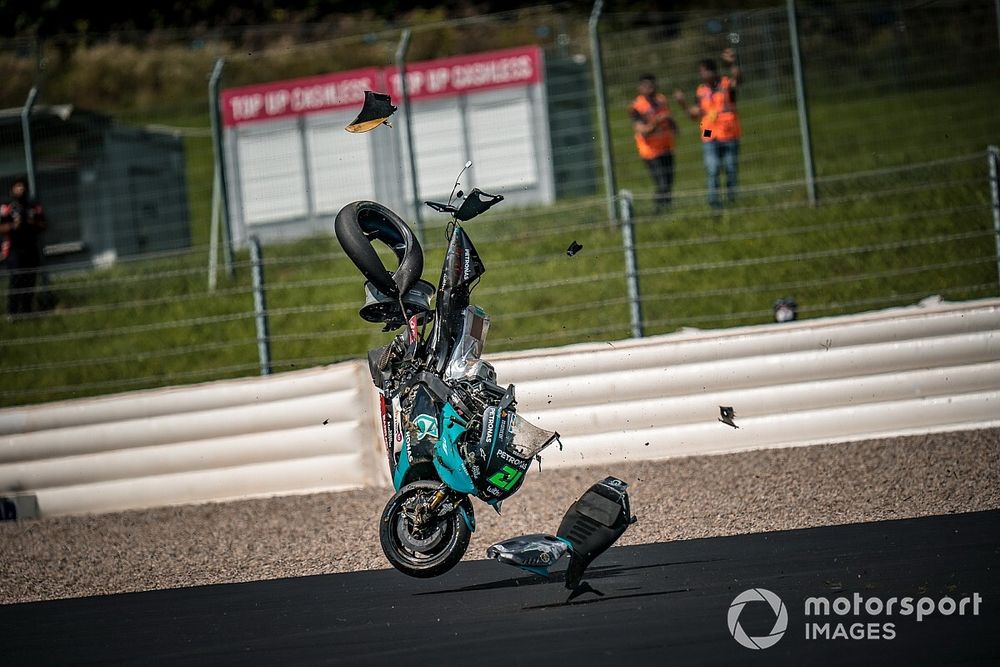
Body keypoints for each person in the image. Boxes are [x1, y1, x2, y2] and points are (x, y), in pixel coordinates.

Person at [674, 48, 743, 209]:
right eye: (700, 72)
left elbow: (738, 80)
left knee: (731, 168)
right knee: (712, 168)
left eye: (705, 72)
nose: (702, 75)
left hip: (729, 133)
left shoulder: (726, 84)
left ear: (713, 72)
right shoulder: (701, 91)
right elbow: (694, 115)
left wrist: (732, 63)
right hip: (709, 133)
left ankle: (732, 201)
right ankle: (714, 202)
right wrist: (682, 102)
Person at [629, 74, 678, 214]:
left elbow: (668, 118)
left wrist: (673, 125)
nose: (651, 88)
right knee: (662, 183)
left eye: (652, 85)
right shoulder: (636, 107)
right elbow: (643, 131)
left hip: (666, 147)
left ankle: (667, 211)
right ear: (640, 88)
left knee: (668, 183)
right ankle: (658, 210)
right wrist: (658, 120)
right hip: (650, 152)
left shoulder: (661, 100)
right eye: (647, 86)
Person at [0, 176, 47, 317]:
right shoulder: (6, 207)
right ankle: (12, 312)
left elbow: (44, 225)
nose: (21, 189)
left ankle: (27, 310)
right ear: (12, 189)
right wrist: (14, 225)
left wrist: (31, 222)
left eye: (23, 186)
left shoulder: (33, 206)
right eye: (17, 186)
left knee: (30, 279)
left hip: (31, 248)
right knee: (16, 278)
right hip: (13, 249)